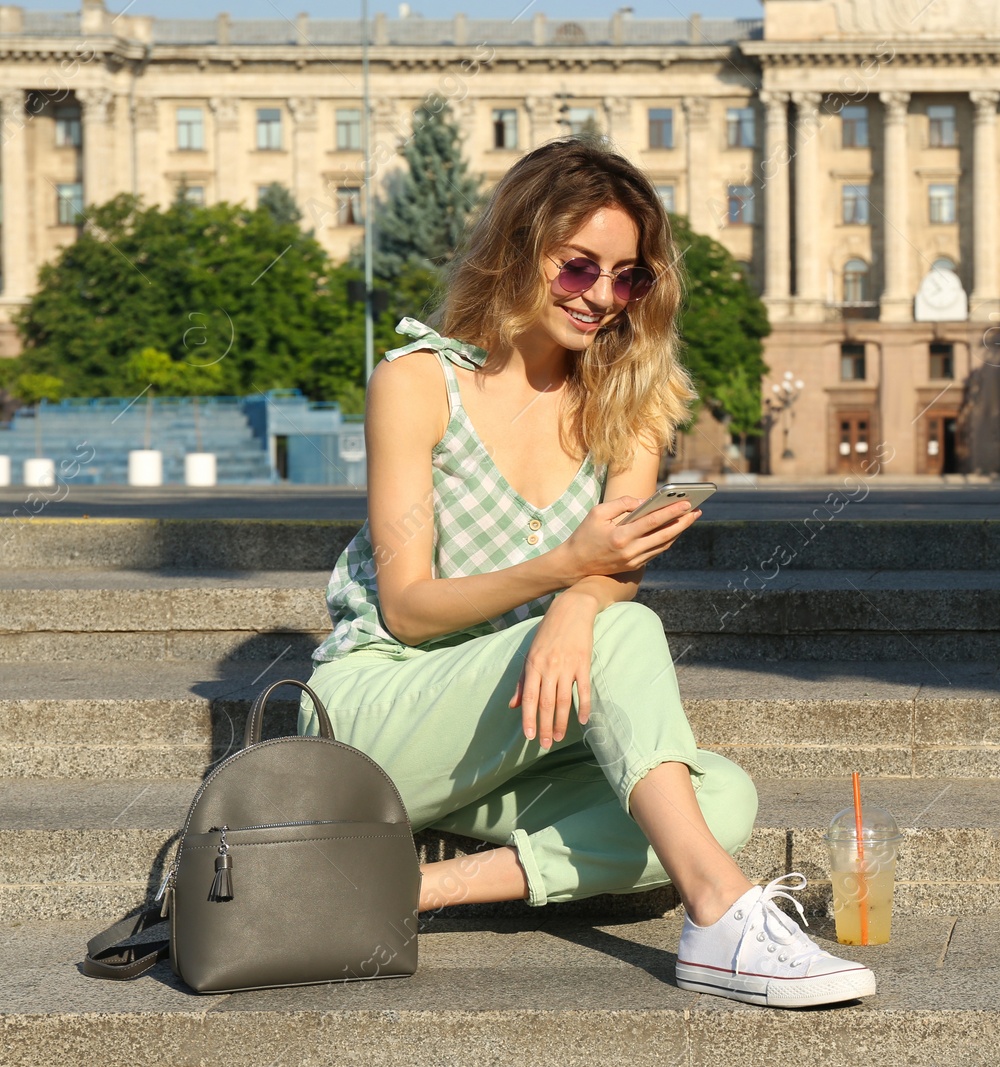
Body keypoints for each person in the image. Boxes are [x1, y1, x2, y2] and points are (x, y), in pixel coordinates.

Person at [296, 136, 875, 1009]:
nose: (603, 298)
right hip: (381, 716)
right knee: (627, 634)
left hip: (515, 720)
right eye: (578, 270)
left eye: (628, 277)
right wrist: (571, 571)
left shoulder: (629, 399)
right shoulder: (417, 382)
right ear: (520, 250)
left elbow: (615, 577)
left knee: (722, 797)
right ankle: (720, 916)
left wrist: (577, 600)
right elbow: (411, 611)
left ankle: (416, 887)